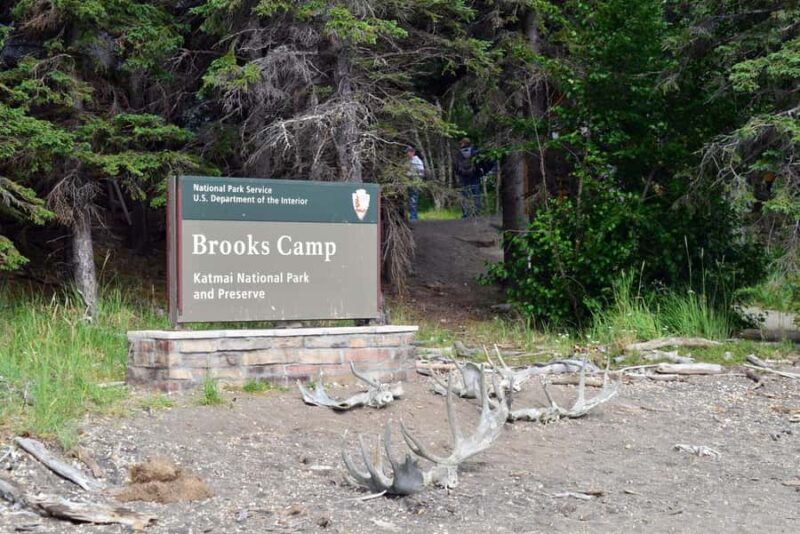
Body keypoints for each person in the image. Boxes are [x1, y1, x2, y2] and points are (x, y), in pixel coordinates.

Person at [454, 137, 481, 217]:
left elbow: (455, 166)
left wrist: (458, 173)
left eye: (461, 143)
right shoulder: (475, 152)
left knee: (464, 195)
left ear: (464, 143)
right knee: (476, 195)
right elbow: (479, 164)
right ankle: (476, 212)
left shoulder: (458, 154)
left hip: (463, 176)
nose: (460, 144)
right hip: (474, 175)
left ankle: (465, 213)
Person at [405, 145, 425, 221]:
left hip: (415, 182)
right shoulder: (407, 161)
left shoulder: (417, 161)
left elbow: (421, 172)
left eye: (409, 152)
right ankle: (413, 216)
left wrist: (413, 176)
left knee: (413, 199)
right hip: (408, 182)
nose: (407, 154)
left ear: (413, 152)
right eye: (407, 152)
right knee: (411, 199)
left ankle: (413, 216)